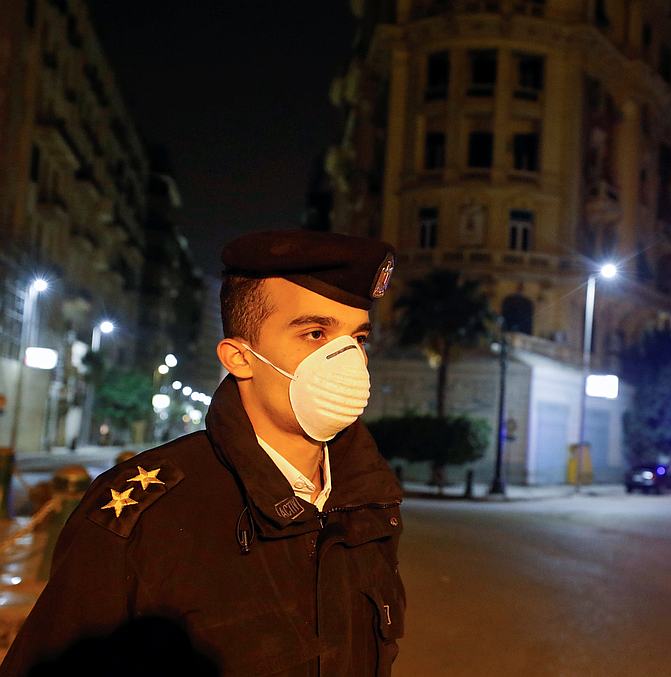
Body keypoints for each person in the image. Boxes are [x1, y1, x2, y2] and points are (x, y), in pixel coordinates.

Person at [1, 230, 404, 676]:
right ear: (239, 357)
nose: (348, 360)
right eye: (315, 333)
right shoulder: (144, 516)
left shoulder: (369, 502)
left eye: (358, 339)